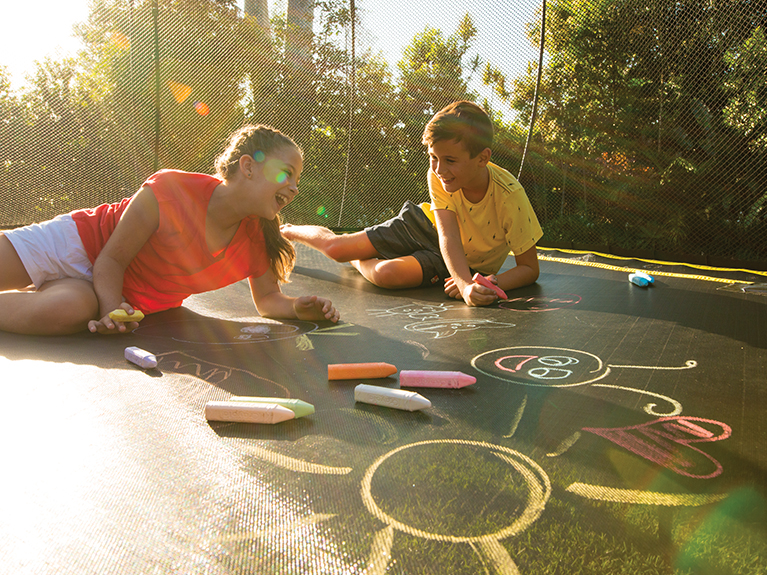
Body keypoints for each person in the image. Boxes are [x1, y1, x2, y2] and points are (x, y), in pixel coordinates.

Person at [0, 124, 340, 336]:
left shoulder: (256, 240)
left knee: (63, 313)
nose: (294, 187)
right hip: (77, 242)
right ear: (248, 167)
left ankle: (65, 296)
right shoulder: (173, 189)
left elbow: (268, 300)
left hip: (94, 292)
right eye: (286, 173)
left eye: (297, 179)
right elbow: (111, 260)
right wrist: (110, 310)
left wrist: (297, 308)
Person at [281, 100, 543, 307]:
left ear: (482, 158)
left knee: (386, 275)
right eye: (433, 157)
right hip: (423, 225)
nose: (440, 169)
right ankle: (287, 230)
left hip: (462, 263)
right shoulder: (440, 175)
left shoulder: (510, 197)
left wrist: (485, 283)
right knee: (336, 249)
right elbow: (448, 235)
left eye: (450, 160)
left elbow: (530, 268)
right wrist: (464, 286)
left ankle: (358, 259)